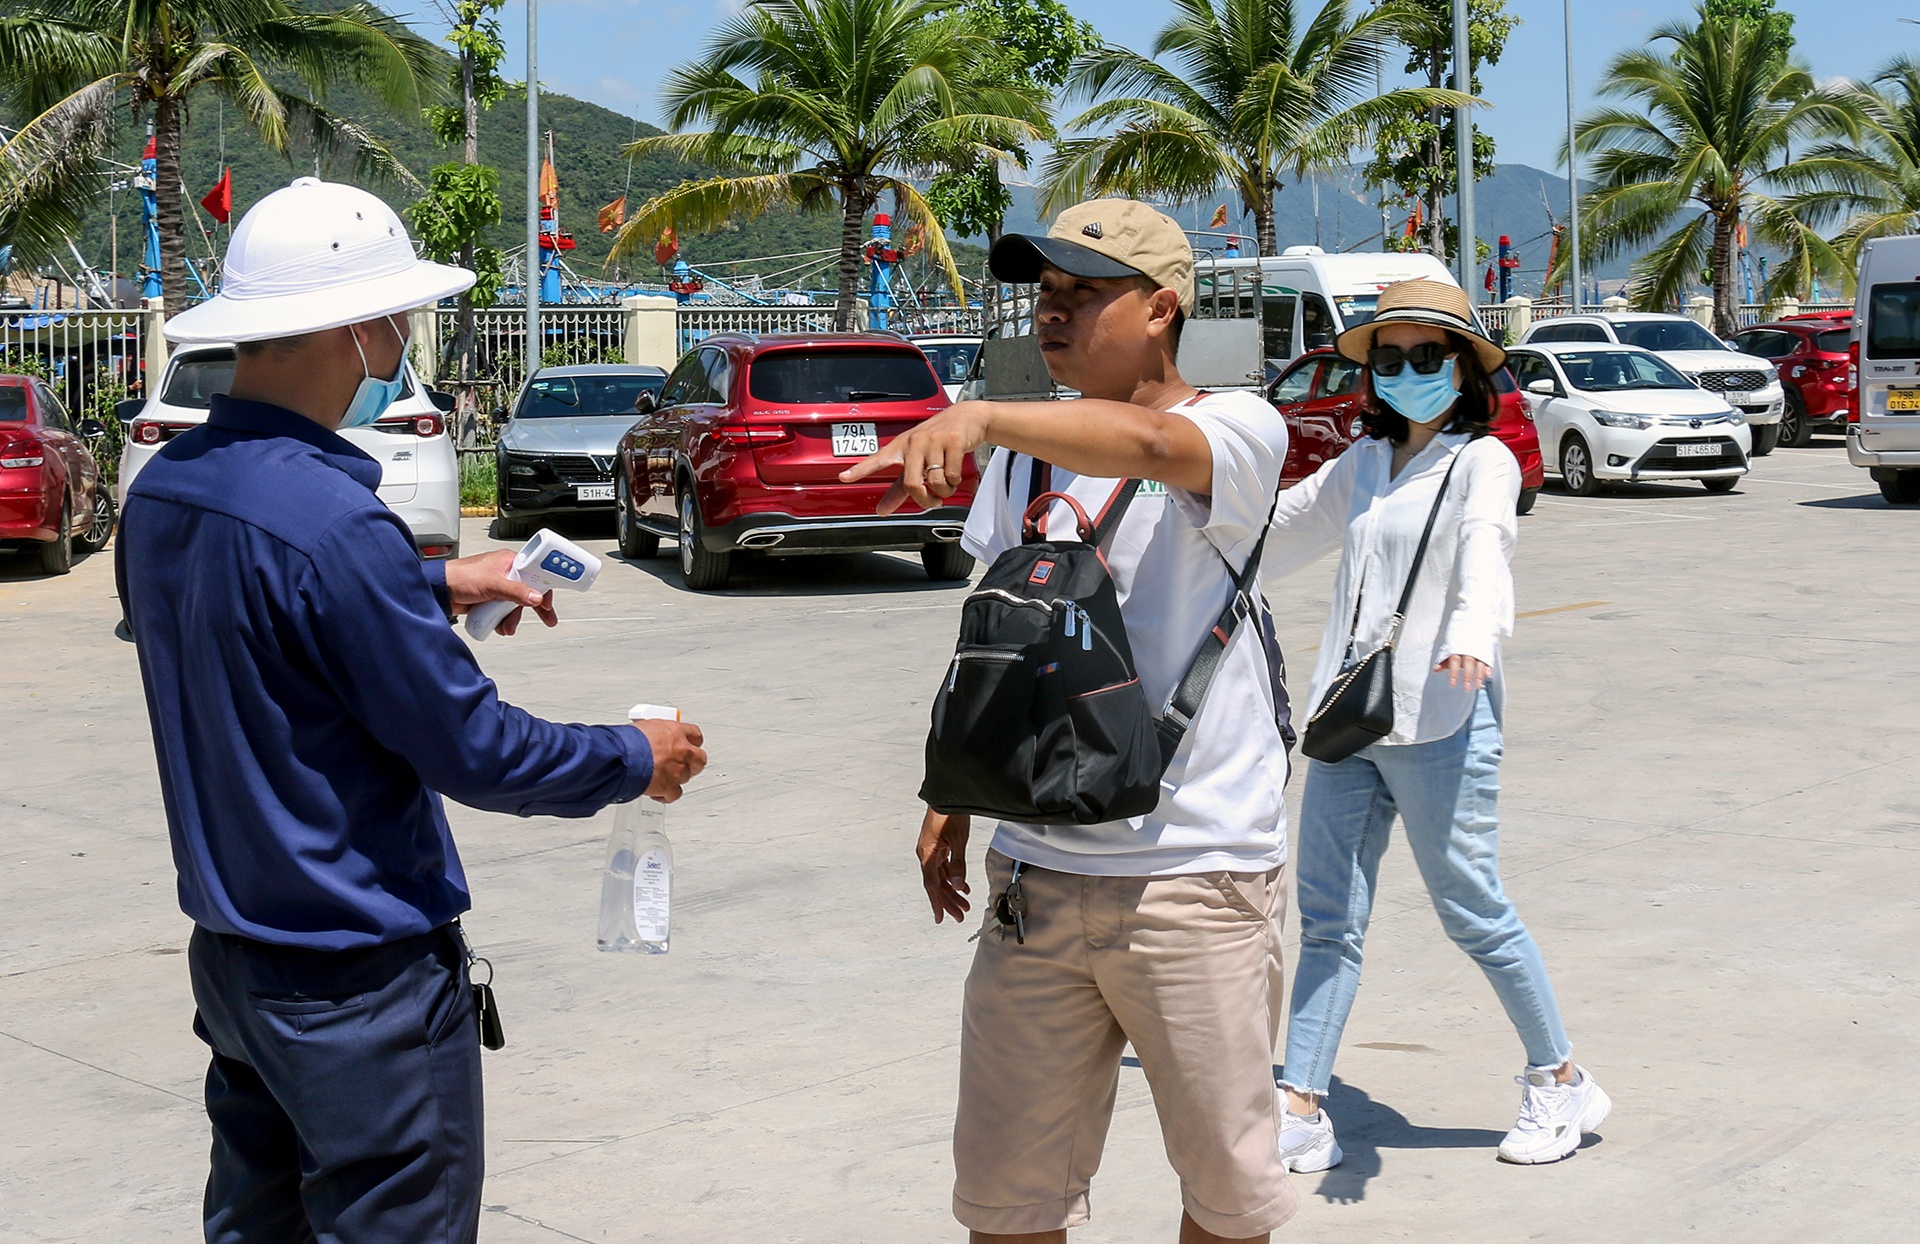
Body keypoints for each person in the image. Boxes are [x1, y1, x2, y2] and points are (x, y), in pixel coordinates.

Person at [116, 178, 708, 1243]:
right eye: (398, 317)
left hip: (238, 965)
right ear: (356, 328)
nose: (401, 340)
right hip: (360, 992)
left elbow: (258, 617)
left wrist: (433, 582)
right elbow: (477, 750)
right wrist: (634, 753)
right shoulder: (337, 523)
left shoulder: (166, 490)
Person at [844, 199, 1297, 1243]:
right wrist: (953, 793)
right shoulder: (1024, 458)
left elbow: (1149, 441)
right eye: (1045, 294)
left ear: (1162, 309)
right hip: (1038, 878)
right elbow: (1001, 628)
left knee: (1226, 1202)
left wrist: (981, 414)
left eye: (1083, 294)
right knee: (1008, 1196)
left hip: (1194, 876)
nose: (1052, 314)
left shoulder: (1239, 428)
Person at [1259, 279, 1609, 1170]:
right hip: (1352, 720)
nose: (1407, 370)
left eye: (1428, 355)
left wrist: (1469, 634)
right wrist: (1179, 531)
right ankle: (1301, 1101)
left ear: (1462, 368)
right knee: (1328, 917)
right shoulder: (1364, 463)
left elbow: (1488, 544)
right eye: (1390, 357)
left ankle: (1560, 1079)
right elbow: (1282, 529)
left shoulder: (1480, 460)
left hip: (1444, 714)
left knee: (1473, 912)